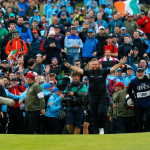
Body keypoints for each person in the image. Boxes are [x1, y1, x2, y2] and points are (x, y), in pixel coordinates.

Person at [65, 56, 127, 134]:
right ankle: (95, 131)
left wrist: (121, 63)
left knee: (101, 112)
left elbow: (113, 68)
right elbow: (78, 70)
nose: (94, 66)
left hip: (102, 96)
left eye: (96, 64)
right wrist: (70, 66)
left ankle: (101, 128)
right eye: (93, 64)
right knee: (93, 114)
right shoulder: (88, 72)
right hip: (92, 96)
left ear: (99, 65)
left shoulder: (103, 71)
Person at [127, 67, 150, 132]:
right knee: (139, 119)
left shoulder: (148, 79)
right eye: (139, 72)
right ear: (136, 73)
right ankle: (140, 131)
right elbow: (129, 90)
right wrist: (133, 99)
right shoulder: (133, 81)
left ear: (144, 72)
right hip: (139, 103)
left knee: (149, 116)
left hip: (148, 102)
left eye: (141, 72)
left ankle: (147, 130)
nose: (140, 74)